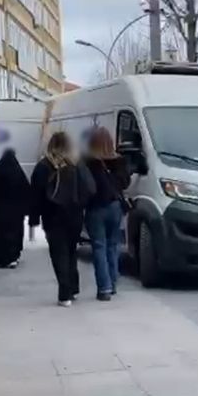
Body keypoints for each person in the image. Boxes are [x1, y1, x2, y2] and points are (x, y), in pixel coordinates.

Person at [30, 132, 94, 307]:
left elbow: (35, 194)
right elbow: (89, 188)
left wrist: (34, 218)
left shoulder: (44, 166)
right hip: (74, 215)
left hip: (52, 216)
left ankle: (65, 294)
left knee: (59, 254)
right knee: (71, 251)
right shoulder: (77, 164)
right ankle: (73, 288)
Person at [84, 127, 130, 302]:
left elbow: (84, 185)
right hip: (115, 206)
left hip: (95, 207)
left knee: (99, 247)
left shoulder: (87, 162)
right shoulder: (119, 161)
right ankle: (113, 283)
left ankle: (104, 288)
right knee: (112, 246)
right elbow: (125, 183)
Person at [0, 149, 31, 269]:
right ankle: (13, 257)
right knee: (14, 233)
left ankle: (1, 258)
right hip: (15, 211)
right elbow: (26, 190)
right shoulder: (18, 172)